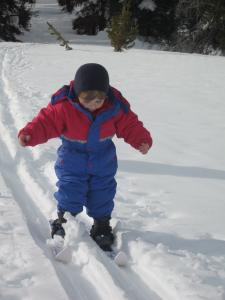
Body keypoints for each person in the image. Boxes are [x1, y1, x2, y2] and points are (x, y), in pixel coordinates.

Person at [18, 63, 153, 251]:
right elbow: (45, 122)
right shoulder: (63, 107)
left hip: (103, 160)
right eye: (87, 99)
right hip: (72, 160)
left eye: (98, 100)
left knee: (103, 191)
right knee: (70, 189)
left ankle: (101, 225)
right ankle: (65, 220)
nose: (93, 104)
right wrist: (30, 134)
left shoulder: (114, 107)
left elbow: (130, 124)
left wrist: (141, 140)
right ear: (78, 93)